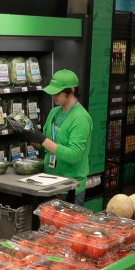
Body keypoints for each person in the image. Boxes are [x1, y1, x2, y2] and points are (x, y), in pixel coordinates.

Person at [29, 68, 92, 198]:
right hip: (49, 184)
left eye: (57, 93)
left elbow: (74, 156)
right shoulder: (54, 112)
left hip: (70, 189)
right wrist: (31, 138)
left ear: (72, 90)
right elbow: (45, 147)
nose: (53, 96)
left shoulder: (81, 118)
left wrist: (42, 139)